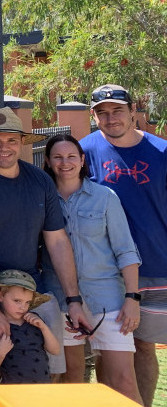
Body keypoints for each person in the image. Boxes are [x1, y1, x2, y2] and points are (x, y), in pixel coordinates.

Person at [0, 107, 87, 404]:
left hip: (32, 292)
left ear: (22, 142)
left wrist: (73, 299)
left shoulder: (40, 181)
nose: (4, 148)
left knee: (51, 369)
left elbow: (58, 241)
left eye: (11, 140)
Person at [80, 83, 167, 407]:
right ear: (93, 116)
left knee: (145, 346)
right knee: (106, 347)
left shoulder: (161, 152)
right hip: (102, 271)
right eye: (102, 112)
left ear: (133, 111)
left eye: (118, 110)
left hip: (156, 266)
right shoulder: (83, 152)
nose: (111, 117)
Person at [40, 134, 142, 402]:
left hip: (108, 299)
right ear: (48, 162)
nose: (65, 163)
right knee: (73, 377)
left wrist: (132, 298)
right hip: (59, 299)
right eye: (58, 157)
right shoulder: (41, 198)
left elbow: (126, 250)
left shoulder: (105, 197)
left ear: (82, 160)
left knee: (122, 381)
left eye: (72, 156)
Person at [0, 271, 59, 384]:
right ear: (0, 296)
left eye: (27, 302)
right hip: (14, 390)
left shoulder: (34, 321)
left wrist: (44, 328)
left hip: (42, 387)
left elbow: (55, 350)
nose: (23, 307)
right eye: (17, 301)